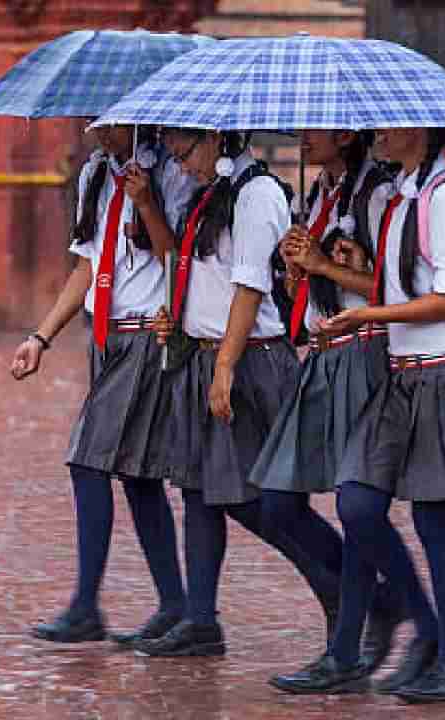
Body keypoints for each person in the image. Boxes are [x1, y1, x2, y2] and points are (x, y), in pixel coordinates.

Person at [295, 127, 445, 704]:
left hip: (443, 370)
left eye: (390, 127)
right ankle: (427, 632)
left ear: (420, 131)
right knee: (357, 501)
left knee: (437, 522)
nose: (379, 134)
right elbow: (405, 279)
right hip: (402, 371)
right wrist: (351, 268)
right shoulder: (405, 196)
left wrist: (368, 315)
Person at [136, 129, 351, 659]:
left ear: (216, 139)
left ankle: (344, 587)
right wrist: (180, 319)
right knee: (199, 492)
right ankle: (201, 619)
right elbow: (198, 271)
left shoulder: (256, 195)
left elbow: (251, 287)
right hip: (205, 353)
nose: (181, 166)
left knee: (256, 501)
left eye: (186, 153)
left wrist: (226, 367)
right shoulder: (207, 192)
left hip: (251, 361)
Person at [10, 123, 193, 647]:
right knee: (138, 477)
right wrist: (41, 337)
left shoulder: (170, 174)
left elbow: (175, 258)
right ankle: (175, 603)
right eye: (92, 118)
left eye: (107, 119)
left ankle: (87, 606)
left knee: (88, 461)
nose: (95, 128)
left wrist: (149, 203)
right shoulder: (96, 173)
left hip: (144, 336)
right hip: (106, 338)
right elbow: (88, 265)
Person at [249, 129, 409, 692]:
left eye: (313, 130)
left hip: (366, 356)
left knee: (354, 504)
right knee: (276, 502)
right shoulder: (319, 195)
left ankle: (346, 649)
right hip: (323, 359)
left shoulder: (380, 195)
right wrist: (297, 273)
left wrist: (324, 265)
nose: (301, 138)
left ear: (344, 134)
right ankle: (380, 604)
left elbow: (398, 289)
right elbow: (303, 297)